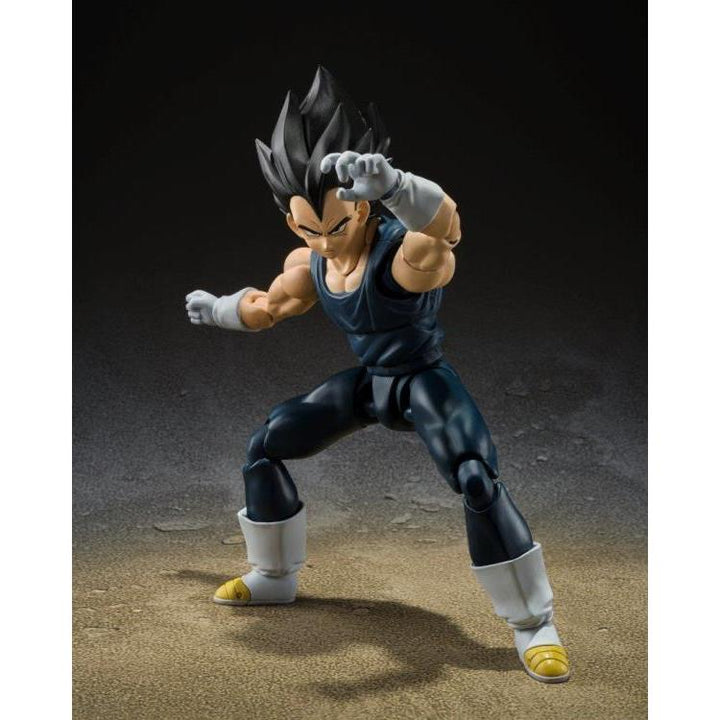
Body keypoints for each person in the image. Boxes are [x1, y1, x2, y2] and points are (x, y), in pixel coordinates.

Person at [185, 67, 569, 683]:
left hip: (423, 381)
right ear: (292, 222)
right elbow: (270, 307)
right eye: (309, 229)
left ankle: (533, 624)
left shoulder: (399, 253)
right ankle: (274, 576)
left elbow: (444, 236)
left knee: (475, 477)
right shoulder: (310, 261)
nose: (325, 242)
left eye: (337, 226)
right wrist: (220, 310)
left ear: (363, 207)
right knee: (266, 444)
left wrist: (398, 186)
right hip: (370, 385)